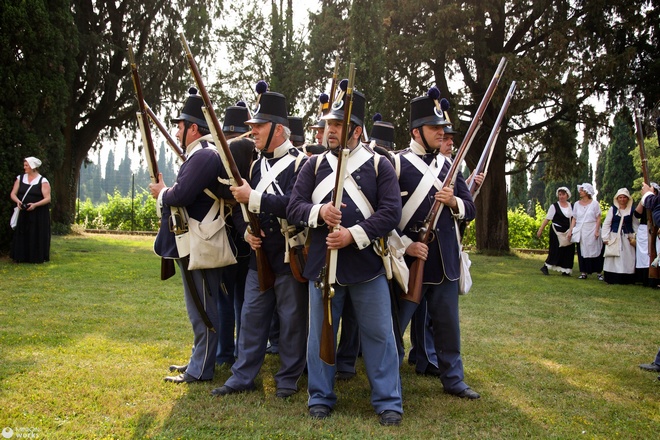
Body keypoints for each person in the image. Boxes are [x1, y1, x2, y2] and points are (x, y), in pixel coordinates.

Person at [287, 85, 404, 426]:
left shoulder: (380, 166)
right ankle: (320, 397)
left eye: (338, 125)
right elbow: (295, 206)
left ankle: (388, 402)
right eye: (328, 124)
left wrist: (354, 234)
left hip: (367, 265)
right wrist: (319, 212)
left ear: (356, 129)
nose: (330, 130)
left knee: (380, 337)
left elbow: (390, 213)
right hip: (324, 265)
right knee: (320, 334)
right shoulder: (313, 166)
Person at [211, 85, 308, 399]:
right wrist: (244, 232)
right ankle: (242, 376)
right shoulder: (254, 164)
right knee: (251, 318)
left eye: (258, 127)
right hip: (259, 255)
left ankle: (288, 377)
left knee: (292, 320)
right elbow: (240, 209)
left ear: (278, 130)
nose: (251, 131)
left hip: (289, 254)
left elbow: (295, 207)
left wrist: (254, 197)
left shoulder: (301, 164)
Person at [393, 87, 479, 400]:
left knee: (448, 328)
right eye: (434, 128)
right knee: (394, 326)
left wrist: (454, 200)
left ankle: (453, 380)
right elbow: (385, 214)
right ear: (417, 131)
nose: (441, 133)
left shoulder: (450, 167)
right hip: (410, 260)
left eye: (442, 128)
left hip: (445, 262)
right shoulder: (396, 164)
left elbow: (470, 209)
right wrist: (405, 245)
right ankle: (389, 380)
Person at [149, 87, 230, 383]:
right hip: (193, 240)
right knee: (198, 308)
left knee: (204, 309)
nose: (179, 130)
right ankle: (198, 361)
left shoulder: (204, 156)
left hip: (202, 241)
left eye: (181, 125)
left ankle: (201, 369)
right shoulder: (198, 157)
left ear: (193, 128)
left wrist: (161, 193)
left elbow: (181, 194)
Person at [215, 101, 256, 366]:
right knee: (241, 300)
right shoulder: (254, 153)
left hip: (228, 235)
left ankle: (225, 354)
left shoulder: (230, 151)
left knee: (226, 298)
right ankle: (240, 354)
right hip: (245, 236)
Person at [10, 156, 51, 263]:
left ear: (33, 167)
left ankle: (35, 257)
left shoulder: (43, 181)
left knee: (35, 233)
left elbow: (48, 198)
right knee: (22, 233)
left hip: (37, 213)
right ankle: (20, 256)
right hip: (23, 212)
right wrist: (18, 202)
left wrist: (35, 205)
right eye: (24, 165)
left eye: (26, 165)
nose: (24, 168)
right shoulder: (20, 178)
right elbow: (13, 194)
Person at [601, 188, 638, 284]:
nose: (622, 199)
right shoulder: (613, 210)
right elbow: (606, 223)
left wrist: (636, 237)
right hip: (614, 236)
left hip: (627, 237)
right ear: (617, 199)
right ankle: (612, 278)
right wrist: (605, 237)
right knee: (614, 258)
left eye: (624, 197)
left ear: (628, 198)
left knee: (627, 257)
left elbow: (635, 225)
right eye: (620, 197)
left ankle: (626, 278)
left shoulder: (632, 210)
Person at [536, 187, 575, 276]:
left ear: (567, 195)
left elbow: (574, 218)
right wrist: (540, 229)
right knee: (555, 250)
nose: (561, 197)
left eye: (563, 194)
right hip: (556, 231)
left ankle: (566, 270)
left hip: (568, 231)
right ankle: (545, 267)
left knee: (568, 251)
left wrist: (572, 230)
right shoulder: (554, 206)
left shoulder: (571, 206)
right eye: (560, 195)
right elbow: (547, 219)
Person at [568, 183, 604, 280]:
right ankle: (583, 272)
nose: (580, 192)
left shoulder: (594, 204)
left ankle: (599, 272)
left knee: (595, 250)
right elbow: (574, 218)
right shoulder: (576, 204)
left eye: (582, 190)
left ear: (587, 192)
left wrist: (597, 231)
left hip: (592, 228)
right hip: (581, 230)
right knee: (582, 251)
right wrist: (571, 230)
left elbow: (598, 218)